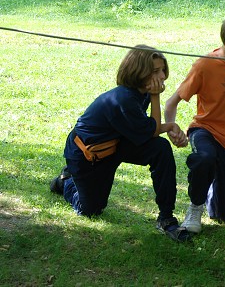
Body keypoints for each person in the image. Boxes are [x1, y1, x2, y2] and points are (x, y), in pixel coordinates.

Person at [49, 45, 191, 242]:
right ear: (138, 71)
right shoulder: (123, 98)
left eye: (162, 70)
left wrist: (170, 126)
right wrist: (157, 99)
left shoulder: (140, 92)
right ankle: (66, 180)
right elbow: (151, 129)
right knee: (90, 210)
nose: (161, 76)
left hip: (115, 145)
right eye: (155, 71)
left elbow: (148, 129)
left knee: (160, 148)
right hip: (88, 154)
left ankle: (166, 218)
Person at [164, 15, 225, 234]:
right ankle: (195, 207)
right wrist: (172, 130)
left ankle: (211, 190)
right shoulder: (204, 65)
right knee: (205, 158)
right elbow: (171, 103)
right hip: (205, 130)